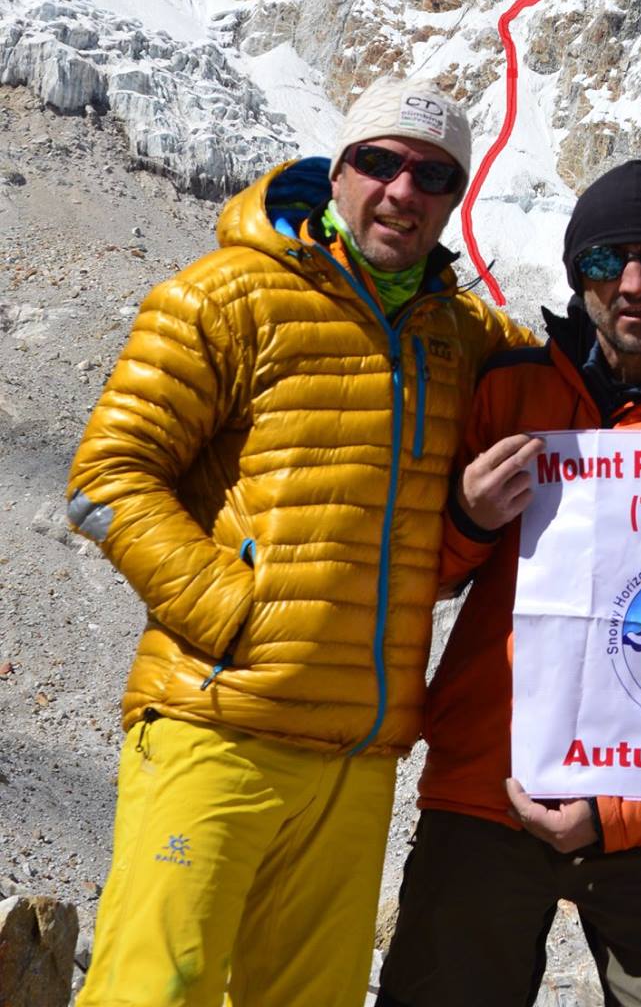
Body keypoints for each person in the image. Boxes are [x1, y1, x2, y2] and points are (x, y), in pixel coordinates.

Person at [66, 78, 532, 1007]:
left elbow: (585, 381)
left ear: (455, 198)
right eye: (380, 162)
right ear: (338, 171)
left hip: (358, 761)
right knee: (156, 990)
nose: (404, 190)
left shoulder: (459, 330)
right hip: (217, 722)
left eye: (434, 175)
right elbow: (104, 480)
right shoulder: (226, 293)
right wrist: (237, 618)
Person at [376, 159, 641, 1007]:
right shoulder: (509, 390)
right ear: (577, 276)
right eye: (607, 261)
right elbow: (414, 580)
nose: (634, 283)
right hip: (489, 790)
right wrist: (466, 518)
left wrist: (622, 813)